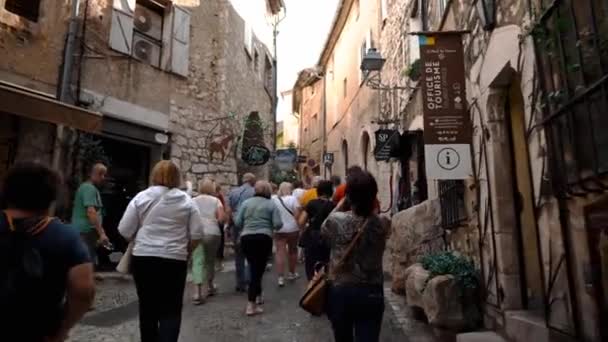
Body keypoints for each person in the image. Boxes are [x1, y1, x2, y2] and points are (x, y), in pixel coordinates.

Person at [1, 162, 95, 342]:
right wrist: (64, 328)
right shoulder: (67, 237)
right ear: (51, 197)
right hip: (36, 331)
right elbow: (84, 292)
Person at [117, 160, 203, 342]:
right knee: (171, 310)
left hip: (144, 258)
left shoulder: (141, 197)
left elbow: (124, 229)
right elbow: (197, 234)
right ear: (177, 177)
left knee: (147, 308)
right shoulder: (187, 201)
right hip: (174, 259)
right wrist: (186, 252)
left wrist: (139, 240)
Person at [322, 171, 390, 342]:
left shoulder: (336, 220)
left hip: (341, 289)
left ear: (349, 196)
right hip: (372, 290)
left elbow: (324, 228)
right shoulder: (383, 223)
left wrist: (343, 201)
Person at [234, 181, 282, 316]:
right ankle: (251, 305)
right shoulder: (271, 204)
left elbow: (238, 222)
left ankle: (258, 296)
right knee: (258, 270)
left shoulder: (246, 203)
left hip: (247, 238)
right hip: (263, 238)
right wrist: (270, 226)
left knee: (254, 267)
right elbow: (278, 224)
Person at [190, 179, 225, 304]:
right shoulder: (216, 201)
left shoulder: (192, 201)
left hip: (197, 233)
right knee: (210, 261)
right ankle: (210, 286)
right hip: (212, 232)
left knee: (197, 260)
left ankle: (197, 293)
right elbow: (221, 219)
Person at [71, 162, 109, 266]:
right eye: (101, 174)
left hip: (86, 232)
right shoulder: (89, 189)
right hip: (84, 231)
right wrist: (101, 233)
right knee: (85, 262)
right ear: (93, 174)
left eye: (104, 174)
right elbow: (91, 212)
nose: (103, 178)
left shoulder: (89, 188)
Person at [298, 180, 335, 281]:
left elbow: (301, 222)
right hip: (327, 239)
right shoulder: (333, 206)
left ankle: (311, 286)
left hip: (312, 238)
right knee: (326, 263)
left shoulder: (311, 204)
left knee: (310, 265)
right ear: (330, 191)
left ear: (318, 191)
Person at [227, 173, 256, 292]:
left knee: (238, 255)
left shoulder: (233, 192)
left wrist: (229, 226)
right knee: (251, 254)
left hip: (236, 224)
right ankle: (249, 280)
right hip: (250, 224)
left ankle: (240, 283)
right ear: (252, 181)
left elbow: (229, 210)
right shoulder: (254, 192)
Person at [271, 182, 301, 286]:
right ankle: (291, 273)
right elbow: (297, 215)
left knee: (280, 252)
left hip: (279, 229)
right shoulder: (293, 199)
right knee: (293, 251)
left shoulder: (274, 200)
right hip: (293, 229)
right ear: (290, 189)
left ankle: (280, 278)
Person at [215, 184, 227, 271]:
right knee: (220, 243)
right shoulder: (219, 198)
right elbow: (223, 209)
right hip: (218, 222)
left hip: (208, 223)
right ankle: (219, 263)